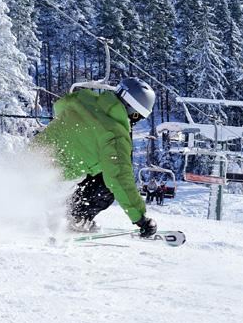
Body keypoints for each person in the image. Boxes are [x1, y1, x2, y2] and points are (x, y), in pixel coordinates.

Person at [35, 77, 157, 236]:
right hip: (52, 178)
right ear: (131, 110)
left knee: (97, 170)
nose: (134, 122)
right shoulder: (115, 132)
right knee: (107, 183)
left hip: (32, 160)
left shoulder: (83, 100)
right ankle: (75, 218)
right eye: (137, 117)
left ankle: (55, 213)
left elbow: (61, 109)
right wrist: (141, 218)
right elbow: (119, 177)